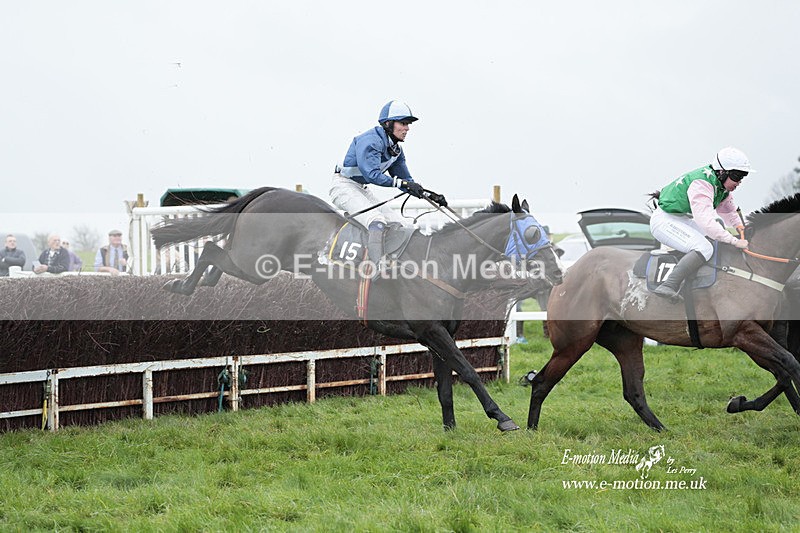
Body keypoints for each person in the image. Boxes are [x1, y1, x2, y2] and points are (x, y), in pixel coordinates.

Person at [330, 100, 447, 273]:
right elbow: (372, 174)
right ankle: (378, 268)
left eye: (408, 124)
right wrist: (403, 183)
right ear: (388, 124)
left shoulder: (396, 150)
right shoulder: (371, 141)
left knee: (404, 225)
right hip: (343, 187)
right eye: (403, 123)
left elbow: (405, 180)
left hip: (361, 189)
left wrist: (428, 195)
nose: (407, 128)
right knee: (377, 221)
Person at [649, 146, 751, 302]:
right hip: (664, 221)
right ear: (722, 172)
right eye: (737, 177)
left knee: (712, 240)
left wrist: (741, 227)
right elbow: (706, 222)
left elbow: (729, 211)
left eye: (742, 177)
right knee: (705, 247)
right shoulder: (702, 184)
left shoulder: (721, 186)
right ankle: (669, 284)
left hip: (680, 218)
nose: (739, 182)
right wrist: (735, 241)